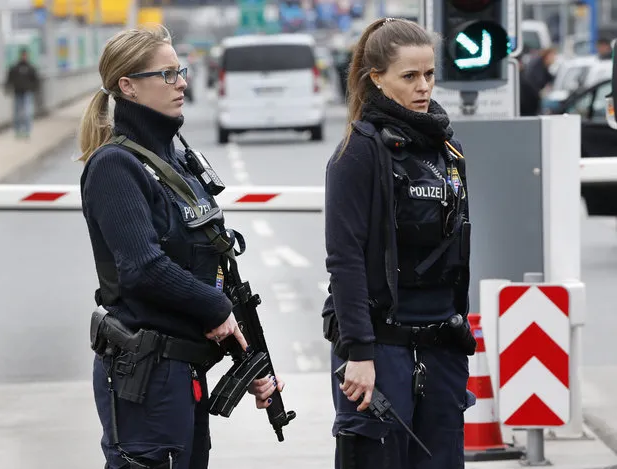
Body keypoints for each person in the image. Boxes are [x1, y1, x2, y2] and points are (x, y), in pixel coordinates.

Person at [78, 25, 283, 469]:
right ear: (128, 86)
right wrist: (217, 310)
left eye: (181, 71)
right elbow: (143, 269)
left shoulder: (177, 159)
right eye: (168, 74)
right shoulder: (116, 165)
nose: (183, 82)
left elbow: (205, 266)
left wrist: (248, 356)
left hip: (183, 370)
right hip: (146, 377)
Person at [321, 18, 477, 469]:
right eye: (409, 76)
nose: (423, 86)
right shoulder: (358, 151)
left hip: (441, 344)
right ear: (377, 78)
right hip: (381, 350)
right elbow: (345, 261)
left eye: (429, 74)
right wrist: (359, 354)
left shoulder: (447, 149)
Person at [4, 47, 39, 138]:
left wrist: (33, 88)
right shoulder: (15, 67)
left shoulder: (30, 68)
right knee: (17, 113)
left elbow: (36, 80)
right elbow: (9, 78)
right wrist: (8, 88)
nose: (24, 57)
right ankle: (18, 131)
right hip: (17, 92)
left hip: (27, 93)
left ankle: (27, 131)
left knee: (27, 112)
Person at [520, 47, 557, 116]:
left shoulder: (541, 65)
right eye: (553, 56)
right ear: (548, 56)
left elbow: (549, 77)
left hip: (530, 99)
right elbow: (536, 83)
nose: (554, 59)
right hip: (529, 100)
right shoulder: (538, 66)